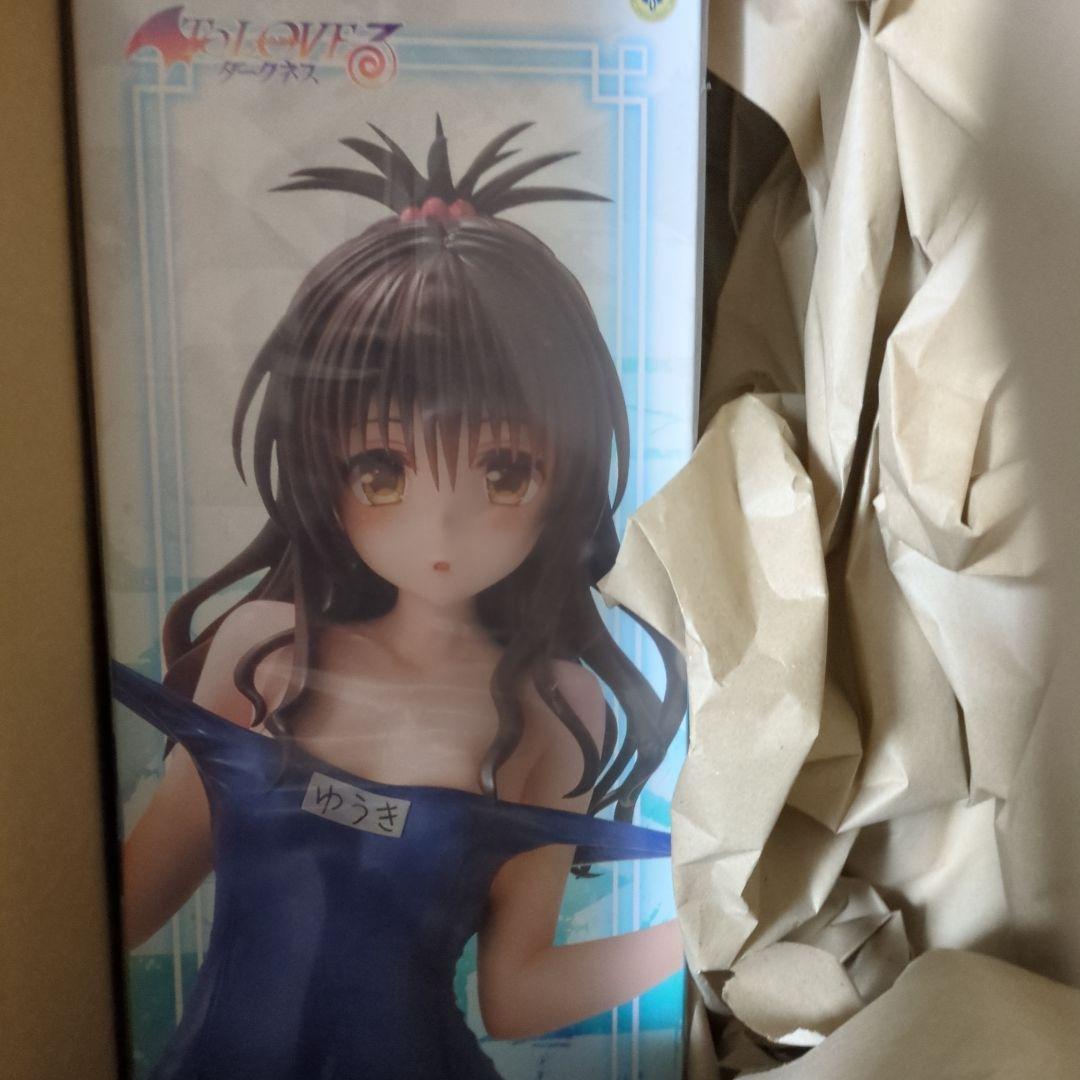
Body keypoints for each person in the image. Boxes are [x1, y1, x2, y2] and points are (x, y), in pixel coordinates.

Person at [115, 117, 687, 1080]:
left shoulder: (557, 703)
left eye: (504, 471)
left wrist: (704, 929)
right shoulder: (263, 653)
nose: (442, 526)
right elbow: (126, 907)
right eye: (382, 469)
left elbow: (515, 993)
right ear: (320, 462)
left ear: (568, 471)